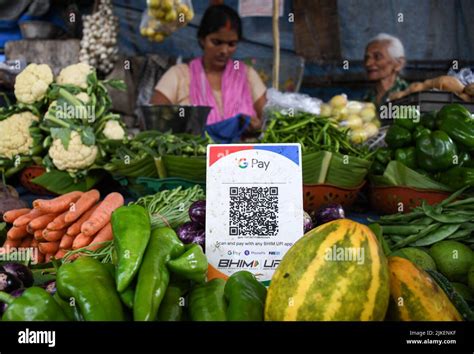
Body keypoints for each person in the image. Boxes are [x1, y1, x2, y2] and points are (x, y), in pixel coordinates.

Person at [151, 4, 267, 143]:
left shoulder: (247, 75)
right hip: (193, 159)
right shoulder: (178, 75)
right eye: (216, 42)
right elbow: (155, 123)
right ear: (202, 39)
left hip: (242, 160)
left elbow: (268, 120)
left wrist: (256, 127)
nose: (224, 50)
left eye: (231, 44)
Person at [363, 33, 409, 107]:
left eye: (377, 57)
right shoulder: (365, 98)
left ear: (398, 64)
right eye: (367, 58)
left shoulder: (410, 97)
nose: (368, 63)